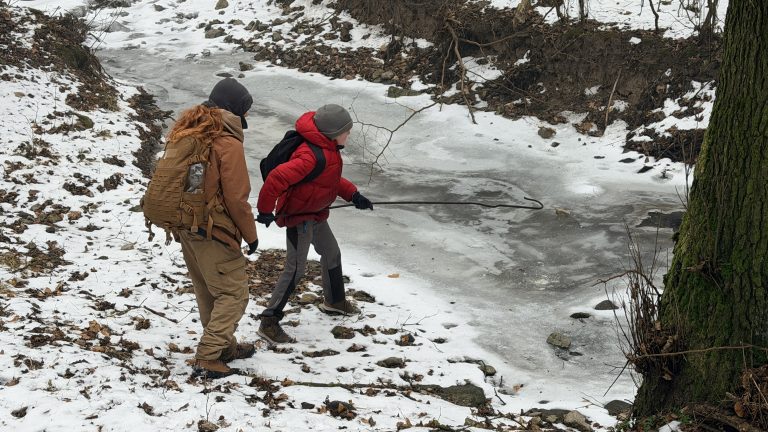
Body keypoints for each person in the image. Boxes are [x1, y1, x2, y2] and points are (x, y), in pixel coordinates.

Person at [256, 104, 374, 344]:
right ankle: (269, 321)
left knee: (332, 253)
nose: (349, 135)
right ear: (333, 133)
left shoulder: (328, 149)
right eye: (346, 132)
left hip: (317, 213)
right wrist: (266, 211)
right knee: (296, 268)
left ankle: (335, 302)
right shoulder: (310, 156)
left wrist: (353, 195)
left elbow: (329, 179)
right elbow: (276, 179)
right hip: (300, 218)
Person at [170, 78, 259, 378]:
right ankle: (208, 356)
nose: (246, 118)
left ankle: (223, 346)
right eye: (245, 110)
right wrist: (251, 235)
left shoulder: (192, 131)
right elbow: (237, 198)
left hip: (186, 226)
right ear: (234, 109)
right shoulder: (226, 142)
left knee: (209, 291)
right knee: (234, 294)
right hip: (213, 229)